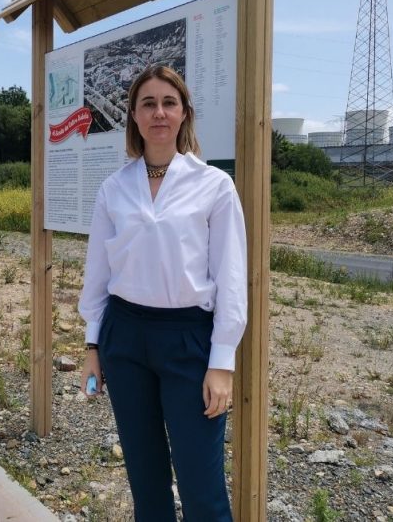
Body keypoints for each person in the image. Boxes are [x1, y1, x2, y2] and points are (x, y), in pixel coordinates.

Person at [78, 64, 248, 522]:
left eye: (168, 103)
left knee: (201, 485)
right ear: (133, 115)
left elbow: (231, 278)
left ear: (184, 113)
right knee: (145, 478)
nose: (159, 112)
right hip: (125, 337)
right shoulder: (115, 188)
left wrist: (222, 363)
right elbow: (98, 274)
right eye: (148, 103)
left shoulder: (214, 185)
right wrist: (93, 346)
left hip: (188, 340)